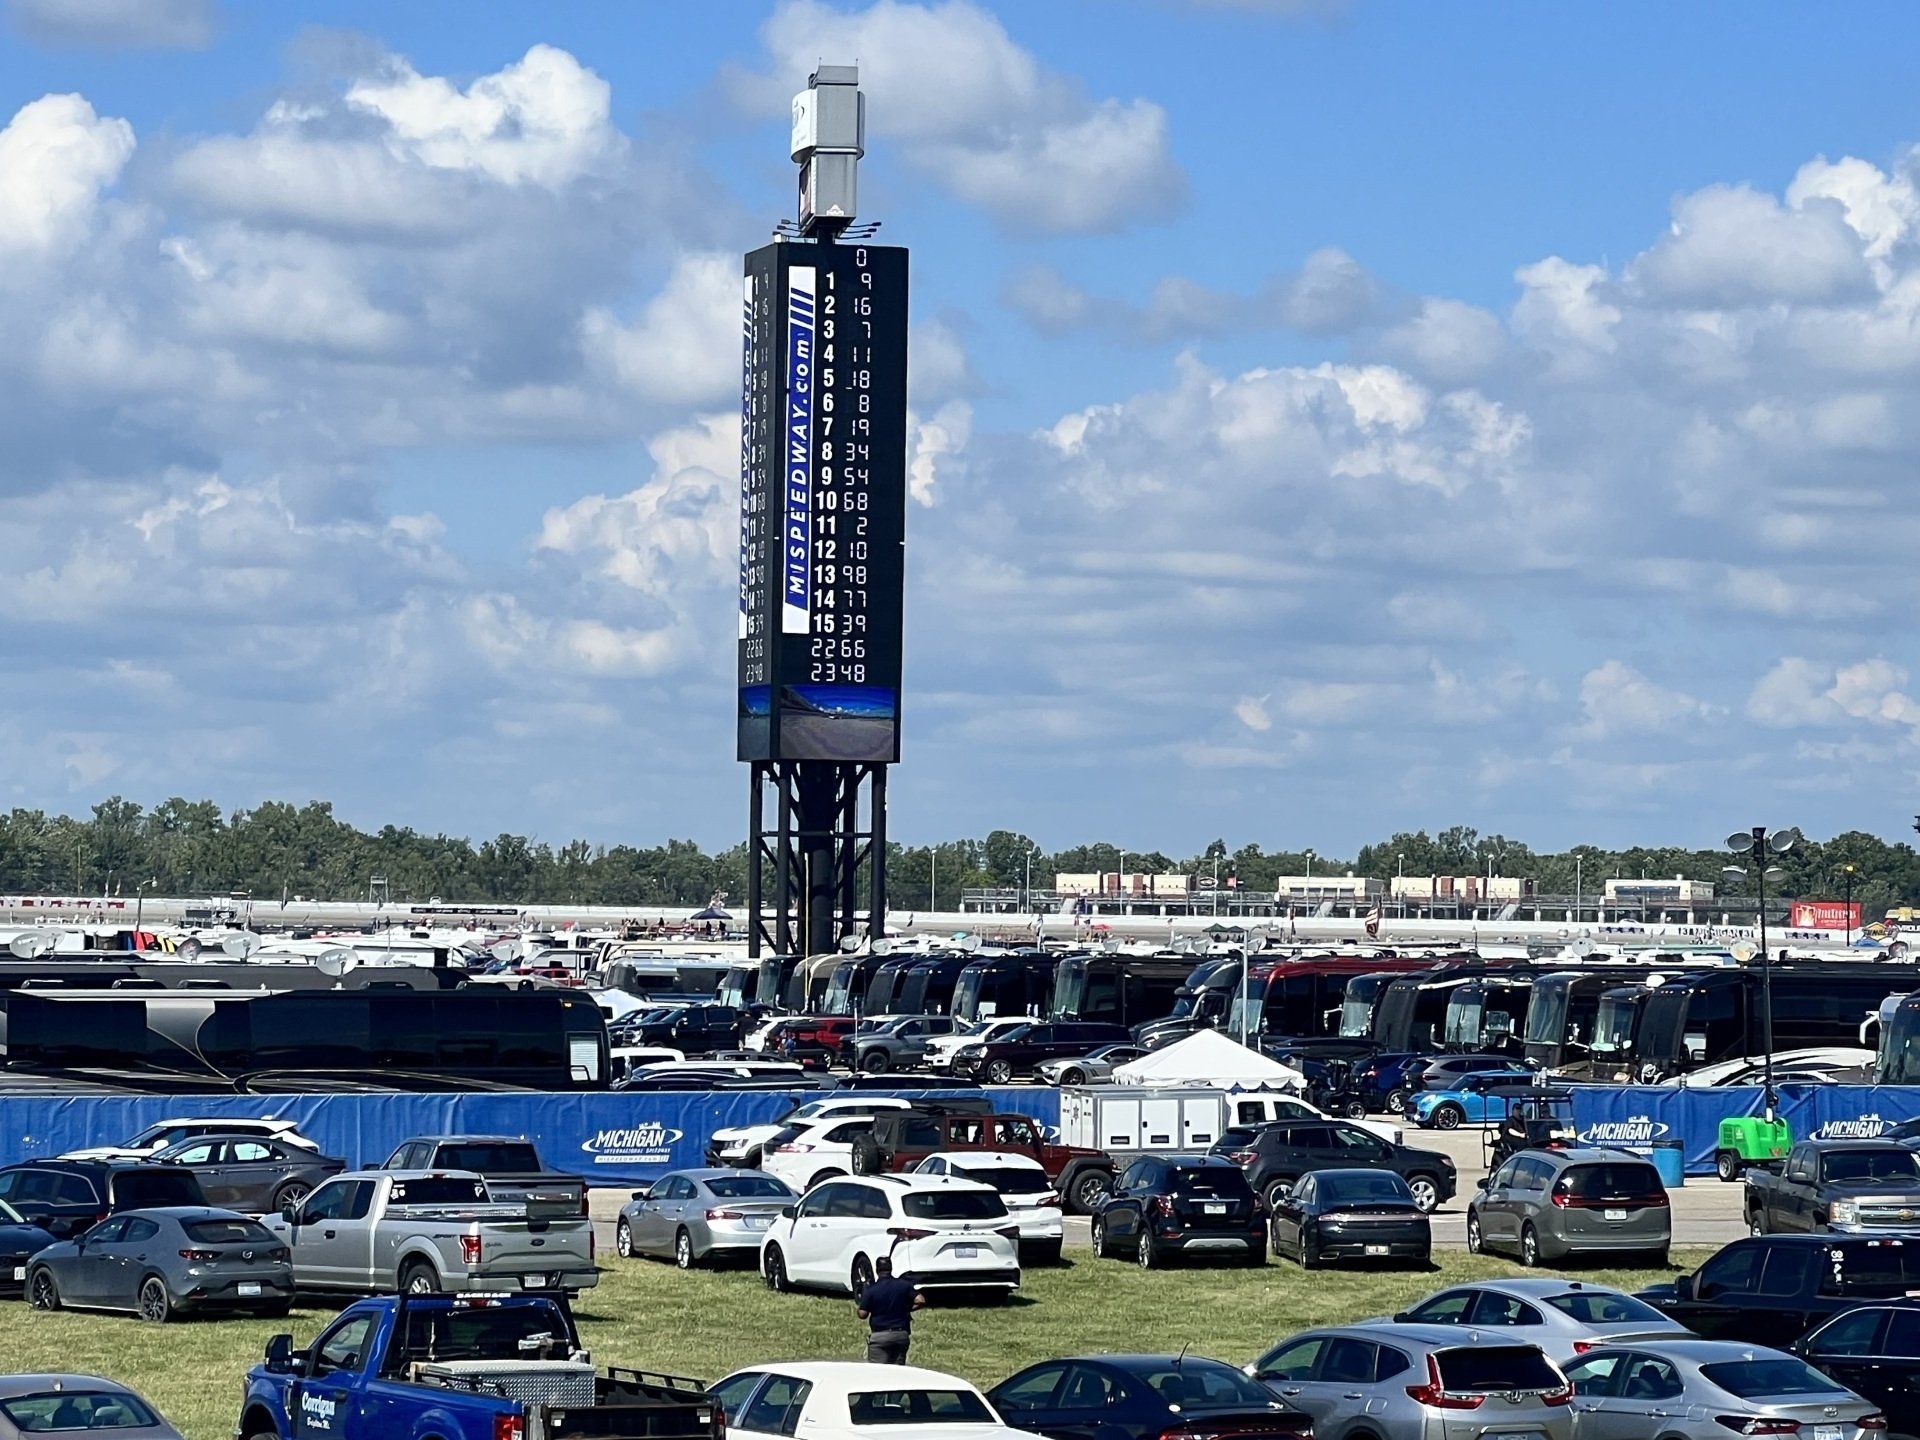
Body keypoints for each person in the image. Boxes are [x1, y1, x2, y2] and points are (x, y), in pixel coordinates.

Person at [854, 1255, 924, 1365]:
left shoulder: (872, 1290)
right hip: (901, 1335)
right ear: (891, 1268)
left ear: (876, 1270)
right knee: (897, 1372)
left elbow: (863, 1314)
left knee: (878, 1374)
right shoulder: (903, 1285)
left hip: (880, 1337)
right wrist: (907, 1309)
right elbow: (920, 1300)